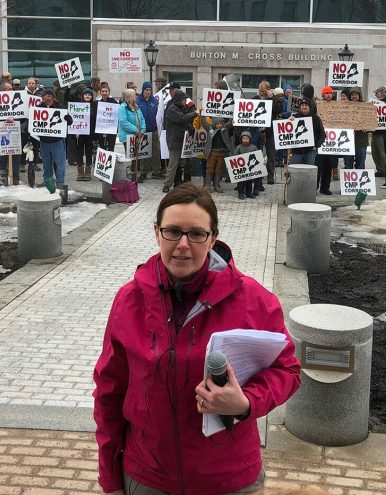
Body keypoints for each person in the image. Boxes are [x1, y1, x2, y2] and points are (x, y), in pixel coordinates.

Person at [93, 183, 301, 495]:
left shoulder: (253, 299)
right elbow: (109, 393)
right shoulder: (129, 300)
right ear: (156, 233)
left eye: (197, 234)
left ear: (213, 238)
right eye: (173, 231)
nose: (183, 245)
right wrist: (110, 479)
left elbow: (287, 370)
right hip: (147, 477)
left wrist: (245, 403)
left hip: (227, 479)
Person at [37, 88, 73, 194]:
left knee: (60, 163)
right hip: (44, 141)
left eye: (44, 95)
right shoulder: (39, 108)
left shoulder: (60, 107)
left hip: (57, 141)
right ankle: (49, 184)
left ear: (51, 97)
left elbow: (70, 121)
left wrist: (67, 118)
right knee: (46, 163)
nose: (42, 97)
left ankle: (60, 184)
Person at [162, 89, 198, 193]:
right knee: (173, 164)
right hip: (174, 140)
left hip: (182, 140)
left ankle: (177, 183)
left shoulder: (182, 108)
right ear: (179, 99)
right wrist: (194, 113)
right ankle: (167, 185)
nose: (185, 101)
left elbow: (185, 122)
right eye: (184, 99)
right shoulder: (172, 109)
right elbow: (182, 118)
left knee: (181, 164)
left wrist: (190, 128)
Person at [118, 88, 147, 180]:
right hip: (127, 136)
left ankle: (136, 174)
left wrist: (142, 130)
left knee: (138, 155)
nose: (136, 97)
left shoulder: (136, 106)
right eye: (134, 95)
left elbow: (142, 119)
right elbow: (123, 122)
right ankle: (131, 176)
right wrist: (136, 130)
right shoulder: (122, 107)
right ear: (129, 97)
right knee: (131, 157)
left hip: (138, 134)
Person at [315, 86, 338, 195]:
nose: (329, 95)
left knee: (329, 166)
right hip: (321, 140)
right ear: (323, 95)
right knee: (318, 166)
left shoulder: (337, 107)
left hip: (332, 141)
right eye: (326, 93)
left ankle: (325, 187)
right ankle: (314, 187)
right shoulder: (318, 106)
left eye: (330, 93)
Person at [288, 98, 325, 166]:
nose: (304, 107)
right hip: (296, 151)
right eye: (302, 105)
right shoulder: (294, 118)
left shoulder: (315, 118)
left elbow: (322, 134)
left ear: (309, 107)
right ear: (300, 107)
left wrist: (316, 145)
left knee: (309, 172)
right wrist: (289, 122)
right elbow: (287, 132)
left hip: (310, 151)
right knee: (296, 173)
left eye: (306, 105)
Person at [137, 81, 163, 178]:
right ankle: (144, 171)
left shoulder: (154, 101)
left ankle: (156, 171)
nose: (148, 92)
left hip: (154, 129)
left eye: (150, 90)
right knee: (144, 151)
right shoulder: (138, 100)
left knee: (156, 151)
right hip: (143, 130)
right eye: (146, 90)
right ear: (143, 90)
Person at [201, 117, 232, 193]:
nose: (219, 125)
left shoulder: (225, 128)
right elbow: (204, 122)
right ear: (214, 124)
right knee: (209, 169)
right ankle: (207, 185)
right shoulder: (210, 128)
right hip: (212, 153)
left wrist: (233, 112)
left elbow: (230, 122)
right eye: (217, 124)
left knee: (219, 170)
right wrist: (202, 114)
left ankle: (216, 185)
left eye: (221, 124)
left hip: (221, 153)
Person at [345, 86, 369, 169]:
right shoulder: (344, 108)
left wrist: (368, 128)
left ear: (360, 96)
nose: (354, 96)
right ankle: (348, 181)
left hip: (361, 140)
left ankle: (359, 181)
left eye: (356, 94)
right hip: (347, 141)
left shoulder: (366, 108)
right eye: (352, 95)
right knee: (348, 165)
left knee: (360, 165)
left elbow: (372, 122)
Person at [76, 87, 95, 181]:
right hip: (79, 134)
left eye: (89, 94)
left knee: (88, 152)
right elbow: (75, 119)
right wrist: (75, 132)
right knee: (79, 152)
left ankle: (88, 172)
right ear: (83, 96)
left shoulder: (94, 106)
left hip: (90, 134)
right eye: (86, 94)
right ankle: (80, 172)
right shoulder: (78, 105)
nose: (87, 96)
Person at [234, 130, 259, 200]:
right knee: (241, 182)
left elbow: (258, 157)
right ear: (241, 139)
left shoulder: (254, 147)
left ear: (249, 139)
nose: (245, 140)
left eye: (247, 138)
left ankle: (249, 193)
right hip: (241, 168)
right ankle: (240, 193)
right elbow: (234, 157)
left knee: (249, 181)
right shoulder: (238, 147)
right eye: (243, 138)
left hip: (250, 168)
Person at [370, 86, 386, 178]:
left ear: (382, 93)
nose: (376, 95)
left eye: (377, 93)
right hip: (375, 131)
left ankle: (385, 170)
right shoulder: (375, 103)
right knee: (375, 152)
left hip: (383, 133)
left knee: (382, 153)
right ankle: (379, 169)